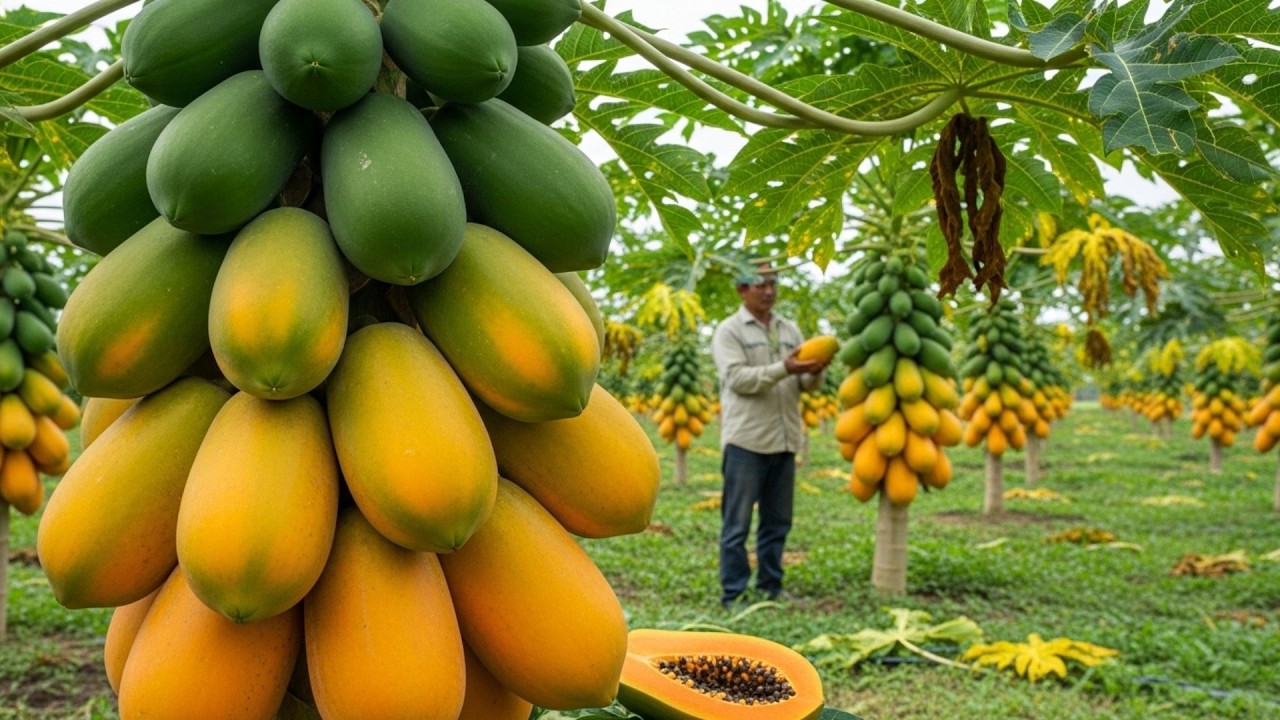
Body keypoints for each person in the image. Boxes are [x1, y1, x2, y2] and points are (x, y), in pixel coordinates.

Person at [710, 265, 829, 610]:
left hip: (785, 439)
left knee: (777, 523)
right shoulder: (729, 331)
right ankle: (733, 593)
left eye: (773, 284)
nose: (768, 291)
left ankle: (770, 587)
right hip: (746, 441)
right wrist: (784, 368)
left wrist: (816, 372)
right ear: (742, 289)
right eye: (760, 285)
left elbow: (804, 385)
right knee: (737, 525)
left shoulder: (789, 330)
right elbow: (737, 379)